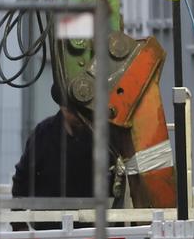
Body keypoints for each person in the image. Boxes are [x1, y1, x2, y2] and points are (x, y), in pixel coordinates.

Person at [10, 83, 115, 230]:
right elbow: (23, 178)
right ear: (62, 107)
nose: (79, 117)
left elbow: (117, 177)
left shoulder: (102, 136)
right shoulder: (43, 134)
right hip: (50, 229)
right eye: (73, 112)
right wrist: (18, 222)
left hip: (92, 228)